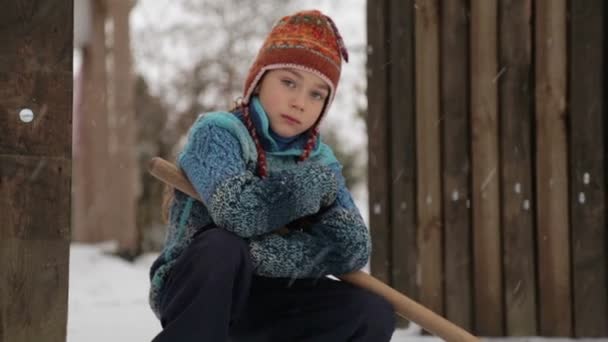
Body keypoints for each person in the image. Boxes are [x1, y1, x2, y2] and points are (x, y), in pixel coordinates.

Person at [148, 9, 395, 342]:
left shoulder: (320, 162)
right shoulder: (218, 135)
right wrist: (307, 192)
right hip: (205, 293)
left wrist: (266, 256)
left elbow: (351, 247)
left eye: (316, 94)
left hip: (274, 299)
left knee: (371, 311)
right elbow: (237, 213)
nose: (299, 102)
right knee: (224, 246)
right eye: (289, 82)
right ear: (259, 79)